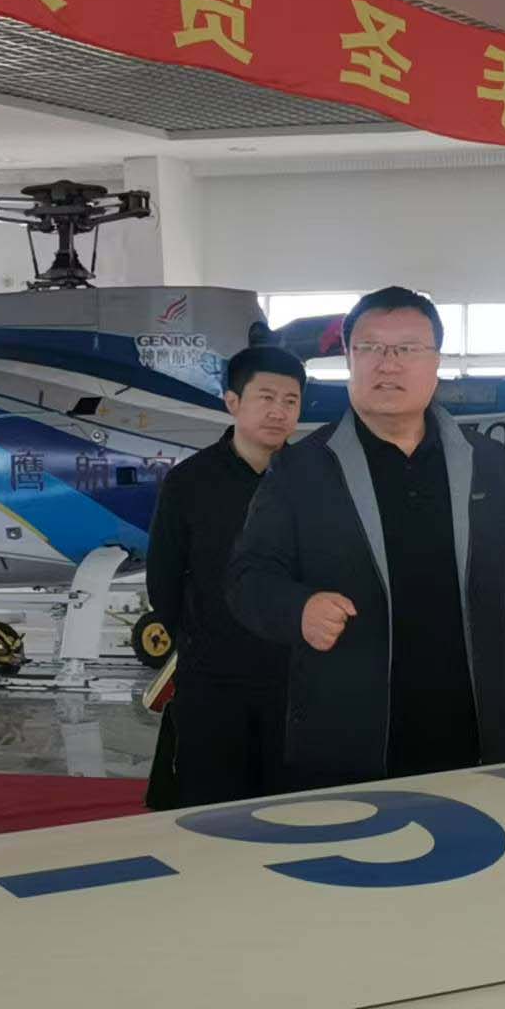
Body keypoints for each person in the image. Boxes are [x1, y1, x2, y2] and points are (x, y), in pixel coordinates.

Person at [227, 285, 505, 1009]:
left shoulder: (486, 467)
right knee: (356, 964)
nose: (387, 365)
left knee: (473, 962)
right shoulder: (303, 469)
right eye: (370, 348)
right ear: (349, 361)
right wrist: (297, 609)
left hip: (472, 760)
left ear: (438, 362)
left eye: (406, 348)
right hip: (348, 758)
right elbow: (247, 579)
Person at [145, 344, 305, 807]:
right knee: (212, 811)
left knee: (294, 810)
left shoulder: (315, 481)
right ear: (232, 401)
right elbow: (164, 579)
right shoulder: (189, 482)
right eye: (266, 397)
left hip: (297, 682)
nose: (278, 412)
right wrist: (199, 642)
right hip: (214, 681)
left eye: (290, 401)